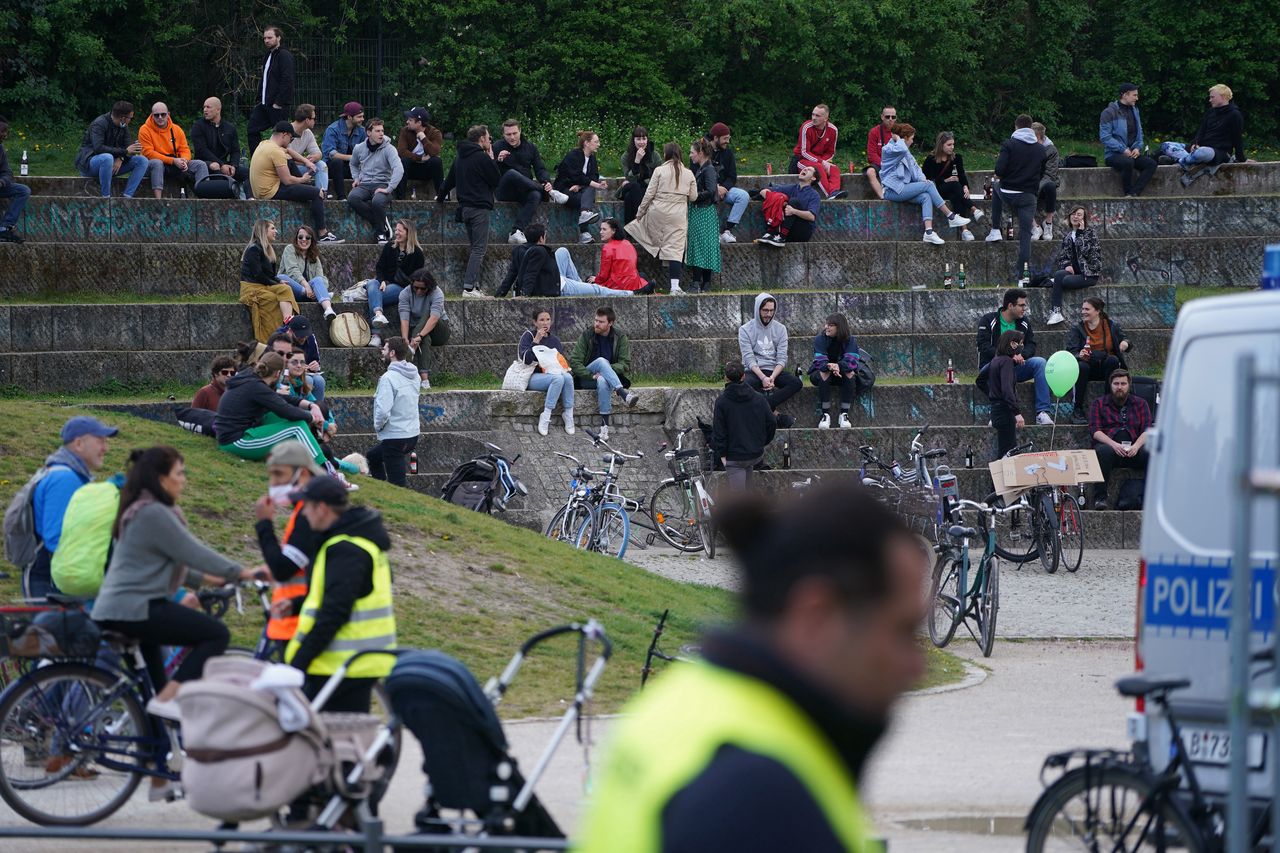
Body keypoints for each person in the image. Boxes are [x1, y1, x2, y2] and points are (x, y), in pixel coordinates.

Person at [577, 482, 927, 853]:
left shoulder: (685, 702)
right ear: (816, 616)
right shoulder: (762, 795)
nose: (915, 667)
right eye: (902, 631)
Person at [92, 446, 260, 719]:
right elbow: (191, 552)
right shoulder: (153, 513)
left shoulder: (140, 509)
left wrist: (209, 580)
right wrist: (241, 572)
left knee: (155, 697)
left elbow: (167, 561)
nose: (184, 479)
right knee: (216, 634)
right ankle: (168, 697)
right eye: (179, 473)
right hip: (135, 609)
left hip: (123, 609)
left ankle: (156, 755)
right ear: (161, 478)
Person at [283, 475, 396, 712]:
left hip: (341, 665)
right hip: (349, 664)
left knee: (338, 742)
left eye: (306, 506)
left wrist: (298, 663)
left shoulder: (346, 549)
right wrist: (296, 604)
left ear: (322, 508)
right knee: (348, 740)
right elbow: (351, 595)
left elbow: (335, 612)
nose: (303, 514)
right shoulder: (357, 541)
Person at [22, 416, 118, 599]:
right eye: (100, 441)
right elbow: (57, 539)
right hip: (52, 582)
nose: (105, 448)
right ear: (79, 444)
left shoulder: (69, 476)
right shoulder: (64, 480)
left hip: (58, 577)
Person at [254, 441, 325, 650]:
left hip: (298, 623)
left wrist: (264, 523)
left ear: (302, 474)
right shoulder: (304, 509)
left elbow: (283, 569)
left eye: (279, 474)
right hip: (296, 619)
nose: (273, 482)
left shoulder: (308, 513)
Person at [215, 352, 329, 468]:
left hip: (231, 436)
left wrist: (311, 406)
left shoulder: (251, 379)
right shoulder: (257, 387)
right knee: (297, 427)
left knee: (278, 416)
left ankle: (302, 462)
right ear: (278, 374)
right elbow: (287, 411)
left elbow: (278, 398)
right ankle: (326, 470)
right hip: (235, 442)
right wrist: (312, 418)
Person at [250, 122, 342, 243]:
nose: (291, 141)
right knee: (315, 193)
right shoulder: (276, 152)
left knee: (290, 162)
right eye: (291, 138)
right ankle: (323, 234)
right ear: (284, 135)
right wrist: (302, 180)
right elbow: (287, 181)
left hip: (262, 189)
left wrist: (306, 162)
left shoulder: (265, 144)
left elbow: (288, 151)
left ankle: (309, 189)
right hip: (270, 191)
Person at [879, 123, 971, 245]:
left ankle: (928, 232)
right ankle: (951, 216)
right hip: (892, 191)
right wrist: (897, 138)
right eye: (911, 138)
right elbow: (901, 148)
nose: (912, 142)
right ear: (904, 138)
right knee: (929, 186)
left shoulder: (905, 152)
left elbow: (916, 168)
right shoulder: (889, 150)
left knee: (926, 196)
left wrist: (923, 180)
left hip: (902, 189)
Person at [439, 125, 501, 298]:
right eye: (488, 138)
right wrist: (492, 159)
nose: (490, 141)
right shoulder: (482, 157)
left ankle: (474, 286)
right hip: (479, 209)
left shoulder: (460, 158)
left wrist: (440, 197)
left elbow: (449, 180)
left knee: (475, 247)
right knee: (479, 249)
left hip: (465, 208)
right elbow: (496, 179)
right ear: (481, 139)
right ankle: (468, 288)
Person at [626, 141, 697, 294]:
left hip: (657, 212)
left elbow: (649, 194)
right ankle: (675, 286)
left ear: (666, 155)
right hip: (677, 215)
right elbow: (693, 197)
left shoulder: (659, 170)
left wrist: (640, 212)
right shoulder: (689, 173)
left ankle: (638, 262)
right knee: (676, 249)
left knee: (640, 230)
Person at [984, 115, 1047, 283]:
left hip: (1007, 191)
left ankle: (995, 229)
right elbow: (1041, 173)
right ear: (1031, 128)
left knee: (995, 186)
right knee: (1025, 235)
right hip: (1028, 196)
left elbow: (999, 170)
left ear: (1016, 127)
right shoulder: (1041, 149)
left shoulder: (1009, 144)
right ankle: (1022, 276)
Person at [976, 288, 1053, 425]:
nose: (1025, 308)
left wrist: (1020, 355)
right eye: (1021, 305)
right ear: (1010, 306)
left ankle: (1042, 412)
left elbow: (1031, 345)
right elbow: (983, 346)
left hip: (1016, 367)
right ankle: (998, 413)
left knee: (1040, 363)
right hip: (992, 368)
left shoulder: (1024, 322)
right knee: (1000, 370)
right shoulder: (988, 320)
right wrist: (1007, 357)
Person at [498, 224, 630, 299]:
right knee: (597, 290)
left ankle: (580, 285)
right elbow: (530, 274)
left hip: (552, 278)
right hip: (557, 286)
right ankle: (630, 293)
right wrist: (524, 295)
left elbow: (511, 275)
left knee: (562, 251)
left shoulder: (519, 250)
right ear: (541, 238)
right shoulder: (539, 251)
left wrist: (499, 295)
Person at [492, 119, 568, 245]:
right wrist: (498, 161)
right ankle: (550, 193)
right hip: (504, 190)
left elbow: (540, 169)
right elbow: (489, 173)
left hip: (524, 189)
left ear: (520, 131)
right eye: (508, 134)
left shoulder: (530, 147)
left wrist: (546, 181)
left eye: (515, 133)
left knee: (535, 195)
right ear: (503, 135)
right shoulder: (496, 147)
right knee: (511, 173)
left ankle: (516, 231)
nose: (512, 137)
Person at [569, 306, 638, 441]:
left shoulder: (620, 337)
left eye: (601, 322)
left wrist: (606, 371)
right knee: (601, 361)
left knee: (602, 380)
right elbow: (575, 363)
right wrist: (591, 374)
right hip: (587, 377)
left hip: (605, 379)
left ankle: (604, 429)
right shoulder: (587, 335)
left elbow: (624, 364)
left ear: (610, 323)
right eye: (596, 320)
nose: (596, 324)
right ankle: (623, 393)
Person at [1088, 368, 1151, 510]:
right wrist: (1114, 445)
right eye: (1116, 384)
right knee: (1103, 451)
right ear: (1110, 385)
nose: (1119, 387)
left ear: (1129, 385)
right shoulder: (1099, 404)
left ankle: (1149, 496)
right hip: (1111, 451)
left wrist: (1136, 446)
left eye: (1123, 383)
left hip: (1134, 450)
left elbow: (1148, 430)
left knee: (1150, 451)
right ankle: (1100, 498)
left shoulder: (1141, 404)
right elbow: (1095, 430)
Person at [712, 361, 777, 490]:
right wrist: (761, 442)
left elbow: (719, 431)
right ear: (743, 376)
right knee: (747, 495)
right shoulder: (759, 398)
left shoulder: (722, 402)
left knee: (739, 500)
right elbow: (772, 422)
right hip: (754, 453)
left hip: (734, 456)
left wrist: (723, 455)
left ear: (726, 378)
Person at [738, 293, 799, 428]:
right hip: (754, 371)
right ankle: (776, 416)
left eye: (772, 310)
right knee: (743, 385)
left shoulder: (781, 329)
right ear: (757, 309)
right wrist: (762, 377)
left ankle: (764, 408)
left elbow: (782, 358)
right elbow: (749, 358)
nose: (769, 314)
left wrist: (771, 377)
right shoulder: (745, 330)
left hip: (774, 371)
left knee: (796, 383)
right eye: (765, 310)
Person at [1066, 296, 1131, 423]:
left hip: (1107, 367)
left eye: (1087, 309)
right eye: (1082, 309)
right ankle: (1077, 409)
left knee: (1112, 360)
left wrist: (1125, 343)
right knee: (1081, 367)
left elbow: (1126, 339)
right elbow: (1071, 351)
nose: (1083, 312)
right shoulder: (1077, 328)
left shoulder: (1111, 325)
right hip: (1087, 367)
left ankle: (1109, 406)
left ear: (1097, 311)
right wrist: (1080, 355)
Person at [368, 336, 421, 487]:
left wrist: (378, 427)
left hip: (396, 437)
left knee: (397, 485)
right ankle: (381, 489)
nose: (382, 351)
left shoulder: (388, 379)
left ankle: (394, 502)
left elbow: (383, 411)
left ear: (392, 353)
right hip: (412, 434)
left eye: (384, 349)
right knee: (373, 456)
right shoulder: (414, 375)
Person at [1170, 84, 1248, 187]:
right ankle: (1185, 159)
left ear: (1223, 97)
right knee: (1166, 145)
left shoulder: (1234, 115)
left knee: (1203, 153)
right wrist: (1195, 143)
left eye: (1212, 97)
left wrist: (1241, 158)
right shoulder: (1211, 112)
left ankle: (1180, 160)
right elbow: (1201, 131)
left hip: (1217, 152)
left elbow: (1237, 139)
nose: (1210, 100)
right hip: (1199, 148)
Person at [1038, 205, 1101, 326]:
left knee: (1064, 281)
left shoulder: (1090, 234)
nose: (1075, 217)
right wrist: (1067, 264)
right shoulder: (1068, 236)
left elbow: (1087, 253)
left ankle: (1054, 283)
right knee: (1059, 274)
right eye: (1073, 214)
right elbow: (1063, 257)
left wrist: (1080, 234)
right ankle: (1056, 312)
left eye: (1079, 214)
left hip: (1089, 274)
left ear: (1084, 219)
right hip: (1076, 273)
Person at [74, 101, 150, 199]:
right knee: (107, 158)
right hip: (90, 164)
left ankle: (127, 197)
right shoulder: (99, 124)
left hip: (112, 166)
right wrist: (125, 152)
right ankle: (106, 198)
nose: (130, 120)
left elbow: (128, 147)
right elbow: (99, 148)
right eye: (130, 118)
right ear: (123, 118)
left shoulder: (123, 126)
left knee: (142, 160)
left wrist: (122, 157)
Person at [239, 219, 298, 342]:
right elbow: (258, 274)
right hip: (251, 288)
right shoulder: (253, 249)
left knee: (285, 288)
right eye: (272, 228)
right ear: (263, 231)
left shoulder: (269, 250)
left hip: (263, 285)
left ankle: (288, 322)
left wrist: (278, 281)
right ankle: (272, 338)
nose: (276, 231)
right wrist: (276, 282)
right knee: (273, 299)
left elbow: (270, 275)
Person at [520, 307, 575, 435]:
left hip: (552, 375)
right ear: (535, 322)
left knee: (567, 377)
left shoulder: (554, 340)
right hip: (533, 376)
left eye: (548, 319)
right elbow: (526, 360)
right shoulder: (528, 336)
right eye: (541, 320)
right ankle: (546, 415)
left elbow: (560, 362)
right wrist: (536, 341)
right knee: (558, 378)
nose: (545, 323)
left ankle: (568, 414)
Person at [364, 219, 425, 334]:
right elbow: (380, 267)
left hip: (402, 287)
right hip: (384, 284)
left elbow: (417, 278)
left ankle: (375, 335)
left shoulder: (417, 253)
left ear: (408, 233)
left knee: (374, 296)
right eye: (396, 230)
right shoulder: (389, 246)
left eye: (400, 231)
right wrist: (382, 281)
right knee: (372, 283)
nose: (396, 233)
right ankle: (379, 314)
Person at [138, 101, 209, 198]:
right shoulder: (144, 129)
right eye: (156, 115)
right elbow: (148, 153)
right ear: (152, 116)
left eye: (163, 114)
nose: (160, 117)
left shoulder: (176, 129)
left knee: (200, 164)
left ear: (168, 115)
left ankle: (205, 197)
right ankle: (157, 201)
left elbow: (185, 149)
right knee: (157, 163)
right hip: (152, 165)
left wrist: (184, 160)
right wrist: (173, 161)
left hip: (174, 163)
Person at [349, 118, 403, 241]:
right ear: (369, 133)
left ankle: (381, 233)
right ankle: (381, 221)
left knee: (377, 202)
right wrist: (356, 178)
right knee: (352, 198)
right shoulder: (359, 148)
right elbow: (353, 164)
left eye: (382, 131)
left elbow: (399, 169)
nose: (381, 134)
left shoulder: (389, 149)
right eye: (377, 131)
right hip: (364, 184)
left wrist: (389, 188)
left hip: (383, 184)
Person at [1100, 83, 1157, 197]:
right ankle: (1128, 191)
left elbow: (1139, 132)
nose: (1137, 98)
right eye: (1134, 95)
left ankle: (1133, 193)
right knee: (1128, 162)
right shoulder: (1108, 112)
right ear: (1125, 95)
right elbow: (1105, 137)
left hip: (1131, 153)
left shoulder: (1135, 110)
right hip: (1113, 154)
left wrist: (1137, 147)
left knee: (1151, 164)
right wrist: (1123, 149)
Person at [922, 132, 981, 241]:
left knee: (956, 195)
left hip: (954, 189)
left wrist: (965, 187)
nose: (952, 147)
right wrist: (945, 180)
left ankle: (965, 231)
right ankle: (973, 209)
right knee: (954, 184)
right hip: (938, 190)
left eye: (953, 144)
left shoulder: (957, 158)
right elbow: (926, 179)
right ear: (941, 145)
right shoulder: (931, 159)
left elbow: (962, 175)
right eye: (949, 145)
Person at [247, 26, 295, 155]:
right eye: (264, 38)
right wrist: (260, 98)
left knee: (282, 138)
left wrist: (279, 102)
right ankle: (259, 159)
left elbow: (287, 80)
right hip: (264, 104)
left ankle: (285, 166)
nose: (266, 40)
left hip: (277, 105)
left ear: (278, 38)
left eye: (270, 37)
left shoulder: (284, 55)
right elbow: (265, 79)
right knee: (252, 129)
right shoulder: (268, 55)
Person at [398, 269, 450, 387]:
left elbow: (434, 318)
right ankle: (425, 380)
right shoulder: (405, 293)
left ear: (429, 287)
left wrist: (418, 336)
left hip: (439, 331)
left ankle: (411, 349)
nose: (419, 291)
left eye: (423, 289)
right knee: (425, 339)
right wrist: (405, 338)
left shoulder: (437, 293)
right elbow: (404, 317)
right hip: (419, 331)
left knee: (427, 313)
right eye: (415, 288)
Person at [554, 130, 607, 243]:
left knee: (585, 197)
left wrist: (580, 186)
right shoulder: (574, 155)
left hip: (578, 191)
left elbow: (593, 176)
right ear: (586, 143)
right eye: (596, 142)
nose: (599, 144)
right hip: (565, 187)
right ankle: (584, 232)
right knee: (585, 199)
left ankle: (583, 216)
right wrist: (596, 185)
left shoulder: (592, 158)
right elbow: (576, 175)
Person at [277, 225, 336, 323]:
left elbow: (321, 278)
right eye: (300, 237)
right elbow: (292, 271)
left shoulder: (314, 256)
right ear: (296, 238)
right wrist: (306, 286)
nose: (304, 240)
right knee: (281, 277)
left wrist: (315, 288)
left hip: (309, 293)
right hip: (293, 290)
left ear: (312, 240)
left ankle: (328, 310)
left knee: (318, 280)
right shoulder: (290, 249)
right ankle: (319, 295)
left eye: (307, 237)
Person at [754, 166, 824, 248]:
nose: (804, 169)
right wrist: (779, 201)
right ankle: (770, 233)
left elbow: (811, 216)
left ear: (813, 178)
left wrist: (794, 211)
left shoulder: (814, 195)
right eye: (804, 168)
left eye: (809, 170)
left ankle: (781, 237)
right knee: (776, 197)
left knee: (794, 202)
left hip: (802, 231)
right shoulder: (791, 188)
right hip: (787, 230)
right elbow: (764, 191)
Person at [810, 313, 859, 429]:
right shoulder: (820, 339)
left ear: (840, 327)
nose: (826, 327)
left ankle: (844, 414)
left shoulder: (850, 340)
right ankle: (825, 414)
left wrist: (838, 366)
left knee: (849, 372)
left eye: (831, 325)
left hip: (842, 374)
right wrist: (830, 366)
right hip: (823, 374)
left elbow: (852, 361)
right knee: (824, 371)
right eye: (826, 324)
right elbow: (820, 361)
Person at [685, 138, 721, 292]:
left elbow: (711, 190)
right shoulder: (701, 168)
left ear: (700, 153)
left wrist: (695, 196)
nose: (690, 155)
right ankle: (703, 283)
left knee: (701, 246)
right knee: (701, 246)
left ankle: (699, 283)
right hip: (699, 211)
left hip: (703, 211)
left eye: (692, 152)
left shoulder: (709, 170)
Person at [789, 104, 846, 200]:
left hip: (820, 160)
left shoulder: (833, 130)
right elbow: (804, 152)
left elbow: (830, 152)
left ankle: (834, 191)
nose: (814, 118)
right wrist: (821, 162)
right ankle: (829, 194)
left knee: (834, 168)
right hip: (802, 160)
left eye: (818, 116)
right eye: (813, 114)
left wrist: (824, 162)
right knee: (818, 167)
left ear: (826, 118)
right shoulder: (806, 127)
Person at [985, 330, 1026, 459]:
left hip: (996, 409)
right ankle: (1002, 479)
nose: (1021, 347)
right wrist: (1017, 413)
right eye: (1019, 344)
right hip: (1005, 411)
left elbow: (980, 380)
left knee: (1004, 449)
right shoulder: (1006, 362)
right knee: (1009, 452)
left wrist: (992, 393)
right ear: (1012, 344)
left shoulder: (996, 360)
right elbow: (1007, 390)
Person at [705, 122, 748, 243]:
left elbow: (732, 176)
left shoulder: (728, 153)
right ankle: (712, 232)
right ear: (715, 138)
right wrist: (714, 188)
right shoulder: (702, 151)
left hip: (725, 189)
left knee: (743, 196)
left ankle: (726, 230)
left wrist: (723, 188)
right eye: (725, 139)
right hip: (707, 189)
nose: (727, 141)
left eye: (728, 138)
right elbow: (697, 174)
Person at [191, 97, 247, 186]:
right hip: (206, 163)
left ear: (218, 109)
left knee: (247, 173)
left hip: (225, 164)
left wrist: (233, 166)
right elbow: (201, 150)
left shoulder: (230, 128)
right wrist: (221, 165)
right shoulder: (198, 126)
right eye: (204, 107)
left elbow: (235, 151)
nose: (205, 110)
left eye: (208, 107)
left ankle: (251, 198)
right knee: (215, 168)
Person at [273, 315, 327, 400]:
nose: (304, 338)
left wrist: (316, 366)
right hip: (286, 373)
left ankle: (318, 408)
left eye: (306, 335)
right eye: (300, 335)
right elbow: (275, 363)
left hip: (306, 372)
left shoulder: (310, 338)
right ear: (290, 332)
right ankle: (303, 409)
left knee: (320, 381)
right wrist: (297, 367)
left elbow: (316, 361)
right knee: (308, 380)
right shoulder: (280, 339)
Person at [321, 102, 366, 200]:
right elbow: (331, 154)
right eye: (359, 117)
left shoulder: (362, 131)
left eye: (362, 116)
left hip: (351, 167)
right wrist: (353, 157)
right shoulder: (333, 129)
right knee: (337, 162)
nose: (362, 119)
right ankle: (341, 197)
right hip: (331, 168)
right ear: (349, 117)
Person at [396, 106, 444, 199]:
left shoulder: (435, 132)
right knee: (404, 161)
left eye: (410, 120)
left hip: (427, 170)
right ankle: (400, 199)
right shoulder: (405, 131)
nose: (407, 122)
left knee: (436, 161)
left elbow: (435, 152)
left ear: (419, 123)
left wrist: (423, 138)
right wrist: (420, 158)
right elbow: (401, 151)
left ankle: (442, 196)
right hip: (411, 169)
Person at [593, 218, 651, 293]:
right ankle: (644, 288)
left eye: (604, 229)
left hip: (616, 285)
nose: (601, 232)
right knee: (642, 275)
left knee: (589, 281)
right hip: (632, 283)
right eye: (600, 229)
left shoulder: (607, 247)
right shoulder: (628, 243)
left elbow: (603, 276)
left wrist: (595, 279)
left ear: (614, 231)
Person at [619, 125, 660, 225]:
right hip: (632, 186)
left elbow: (658, 177)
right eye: (638, 139)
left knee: (629, 196)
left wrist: (643, 182)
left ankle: (628, 231)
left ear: (647, 139)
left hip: (648, 188)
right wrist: (637, 161)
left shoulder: (654, 155)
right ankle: (640, 224)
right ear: (633, 140)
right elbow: (629, 178)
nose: (641, 142)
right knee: (634, 186)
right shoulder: (626, 156)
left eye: (644, 138)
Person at [288, 104, 328, 198]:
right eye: (313, 118)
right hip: (286, 169)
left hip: (299, 167)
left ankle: (322, 194)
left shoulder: (307, 133)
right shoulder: (287, 130)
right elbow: (286, 157)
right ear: (307, 120)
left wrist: (315, 157)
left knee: (321, 165)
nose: (315, 120)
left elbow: (318, 153)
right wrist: (305, 161)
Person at [0, 115, 30, 243]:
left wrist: (2, 181)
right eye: (2, 131)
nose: (5, 135)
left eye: (6, 132)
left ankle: (4, 228)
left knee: (23, 190)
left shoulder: (0, 149)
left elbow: (7, 172)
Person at [1031, 122, 1060, 241]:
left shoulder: (1051, 150)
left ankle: (1048, 223)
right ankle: (1035, 227)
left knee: (1051, 187)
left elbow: (1049, 174)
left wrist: (1036, 188)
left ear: (1037, 137)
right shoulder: (1027, 149)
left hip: (1043, 184)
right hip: (1030, 183)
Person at [864, 105, 896, 199]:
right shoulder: (874, 132)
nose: (890, 119)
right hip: (880, 163)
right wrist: (885, 164)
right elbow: (871, 154)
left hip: (895, 164)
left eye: (893, 117)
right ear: (882, 117)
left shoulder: (900, 131)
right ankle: (883, 196)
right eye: (887, 117)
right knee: (870, 171)